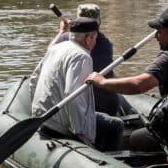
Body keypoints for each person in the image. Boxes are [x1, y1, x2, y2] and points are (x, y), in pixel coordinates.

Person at [85, 8, 168, 152]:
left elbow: (139, 85)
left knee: (135, 139)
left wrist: (102, 81)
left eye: (160, 32)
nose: (156, 36)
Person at [30, 17, 124, 149]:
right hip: (61, 123)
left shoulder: (55, 48)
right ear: (88, 38)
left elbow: (33, 80)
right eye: (95, 38)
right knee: (115, 125)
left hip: (44, 118)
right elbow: (73, 95)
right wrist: (80, 132)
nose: (95, 42)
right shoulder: (82, 56)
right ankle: (111, 160)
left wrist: (37, 114)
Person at [50, 3, 121, 116]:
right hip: (103, 106)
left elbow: (49, 55)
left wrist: (63, 32)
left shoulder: (66, 38)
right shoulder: (105, 43)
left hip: (87, 107)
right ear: (99, 21)